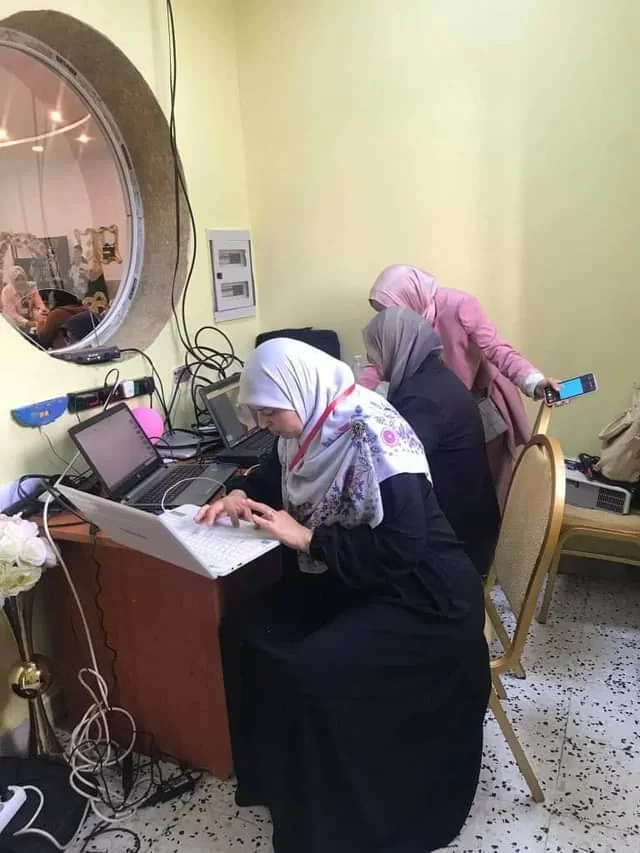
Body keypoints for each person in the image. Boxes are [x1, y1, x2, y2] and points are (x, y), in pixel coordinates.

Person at [196, 338, 490, 853]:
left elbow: (402, 546)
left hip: (424, 595)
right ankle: (276, 779)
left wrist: (306, 539)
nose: (263, 423)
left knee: (314, 669)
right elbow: (275, 475)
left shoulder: (373, 436)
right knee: (244, 630)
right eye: (257, 412)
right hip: (356, 574)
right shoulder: (310, 425)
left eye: (269, 411)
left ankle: (336, 821)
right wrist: (239, 494)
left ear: (300, 390)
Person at [361, 264, 558, 506]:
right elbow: (379, 360)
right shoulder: (406, 324)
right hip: (440, 405)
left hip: (478, 399)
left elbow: (496, 349)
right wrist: (350, 399)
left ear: (409, 298)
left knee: (486, 481)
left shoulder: (459, 306)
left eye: (388, 310)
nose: (387, 320)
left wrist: (535, 381)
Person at [363, 306, 500, 578]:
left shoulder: (422, 398)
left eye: (375, 349)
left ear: (396, 346)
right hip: (471, 524)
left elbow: (392, 464)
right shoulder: (433, 376)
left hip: (455, 545)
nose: (370, 358)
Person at [0, 265, 48, 335]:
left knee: (42, 316)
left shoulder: (31, 287)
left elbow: (39, 304)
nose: (20, 282)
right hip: (13, 320)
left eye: (22, 279)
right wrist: (27, 323)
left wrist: (43, 313)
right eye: (17, 280)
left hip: (30, 315)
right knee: (10, 320)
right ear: (12, 281)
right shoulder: (6, 291)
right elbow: (11, 313)